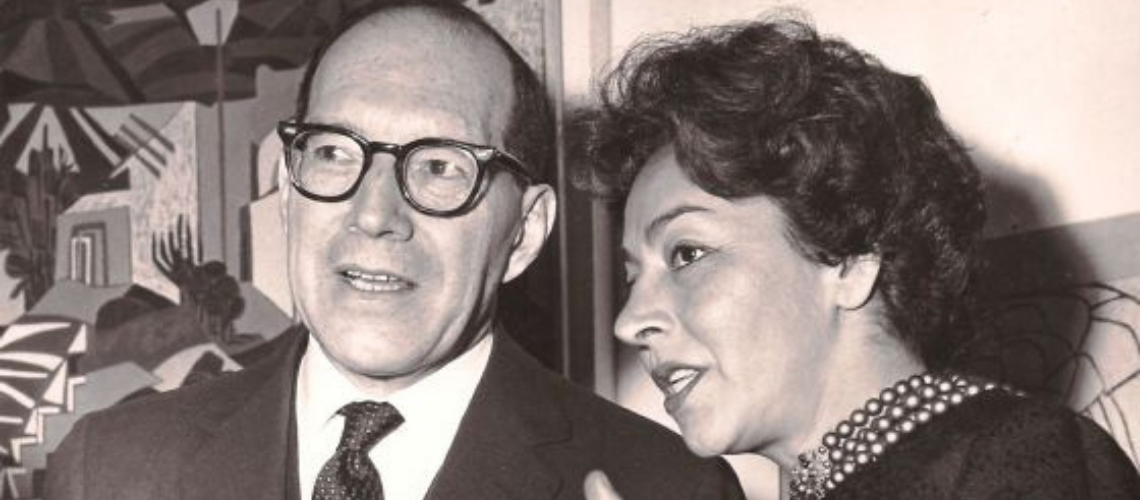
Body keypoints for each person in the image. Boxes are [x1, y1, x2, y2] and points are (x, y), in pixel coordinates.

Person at [45, 2, 746, 500]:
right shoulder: (107, 471)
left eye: (440, 166)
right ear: (286, 193)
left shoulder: (666, 487)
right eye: (333, 153)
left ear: (524, 232)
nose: (375, 214)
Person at [581, 16, 1140, 500]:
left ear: (850, 260)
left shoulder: (1023, 457)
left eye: (687, 253)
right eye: (632, 278)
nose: (629, 322)